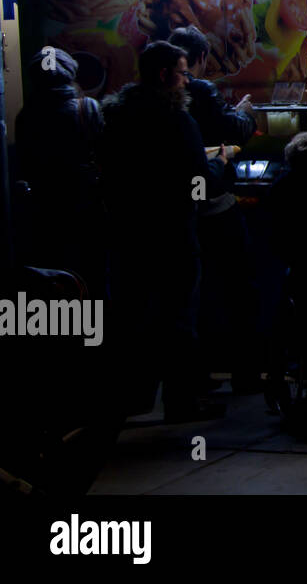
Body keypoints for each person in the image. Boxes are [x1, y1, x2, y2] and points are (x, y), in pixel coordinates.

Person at [99, 41, 227, 423]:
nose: (187, 81)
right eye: (183, 72)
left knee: (132, 315)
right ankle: (182, 401)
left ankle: (132, 398)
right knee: (178, 317)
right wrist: (221, 165)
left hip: (126, 234)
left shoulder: (116, 117)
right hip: (172, 234)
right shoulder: (177, 120)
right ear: (164, 74)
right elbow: (196, 183)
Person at [166, 26, 260, 394]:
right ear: (199, 58)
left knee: (189, 297)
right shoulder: (199, 89)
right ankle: (246, 374)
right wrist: (245, 114)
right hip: (213, 207)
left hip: (171, 213)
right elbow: (231, 132)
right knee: (240, 289)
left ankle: (191, 380)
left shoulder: (135, 101)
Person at [13, 47, 108, 294]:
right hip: (87, 202)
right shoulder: (87, 107)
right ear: (70, 74)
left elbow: (25, 163)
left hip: (46, 207)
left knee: (55, 272)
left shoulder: (26, 116)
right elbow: (105, 154)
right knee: (93, 269)